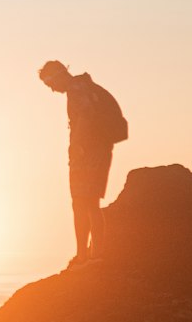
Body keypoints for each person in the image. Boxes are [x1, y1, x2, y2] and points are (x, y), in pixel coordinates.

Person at [38, 60, 127, 268]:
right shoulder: (85, 87)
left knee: (80, 203)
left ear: (58, 76)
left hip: (87, 153)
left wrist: (76, 147)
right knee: (91, 203)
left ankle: (84, 256)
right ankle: (94, 254)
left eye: (50, 83)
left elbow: (85, 117)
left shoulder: (76, 90)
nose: (52, 89)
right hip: (100, 150)